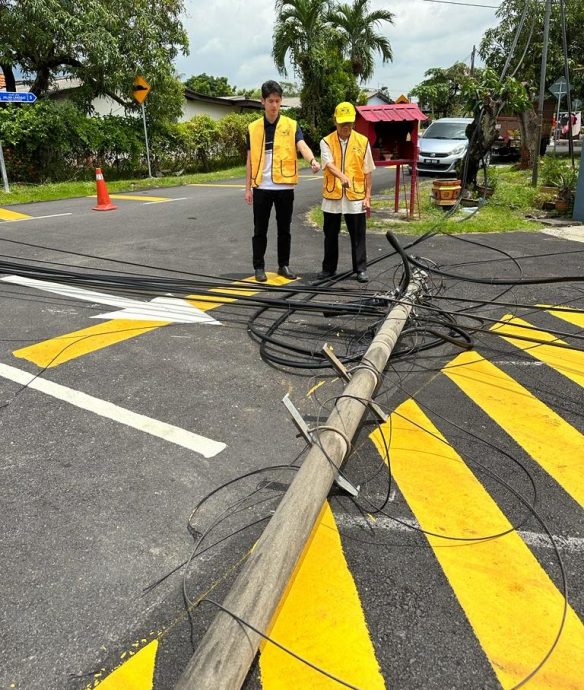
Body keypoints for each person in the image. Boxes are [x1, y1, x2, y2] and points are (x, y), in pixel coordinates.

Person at [245, 80, 320, 282]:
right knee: (259, 230)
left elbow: (302, 145)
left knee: (284, 229)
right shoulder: (253, 128)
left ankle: (283, 265)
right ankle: (259, 267)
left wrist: (312, 160)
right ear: (262, 101)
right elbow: (250, 160)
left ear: (281, 101)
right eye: (270, 101)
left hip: (285, 186)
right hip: (261, 186)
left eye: (277, 101)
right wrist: (248, 188)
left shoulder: (291, 125)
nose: (274, 105)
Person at [317, 101, 374, 283]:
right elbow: (328, 164)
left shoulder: (363, 142)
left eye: (348, 122)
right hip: (333, 194)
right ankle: (328, 269)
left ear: (354, 121)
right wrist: (342, 176)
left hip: (355, 195)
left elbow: (367, 171)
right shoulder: (326, 141)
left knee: (358, 234)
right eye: (342, 123)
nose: (345, 126)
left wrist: (368, 196)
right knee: (330, 234)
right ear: (335, 121)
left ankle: (360, 269)